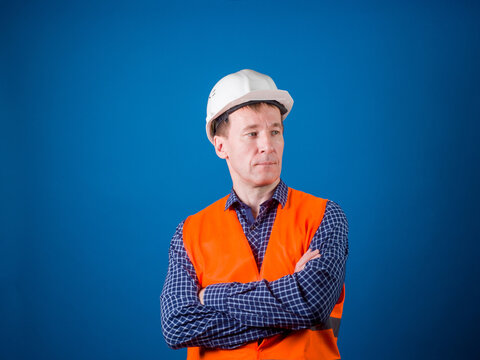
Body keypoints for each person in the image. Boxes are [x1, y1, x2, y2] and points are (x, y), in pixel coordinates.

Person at [160, 69, 349, 359]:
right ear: (221, 146)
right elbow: (177, 327)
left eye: (275, 131)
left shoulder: (325, 216)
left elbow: (312, 305)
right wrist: (289, 300)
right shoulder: (189, 233)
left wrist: (210, 296)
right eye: (252, 134)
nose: (268, 145)